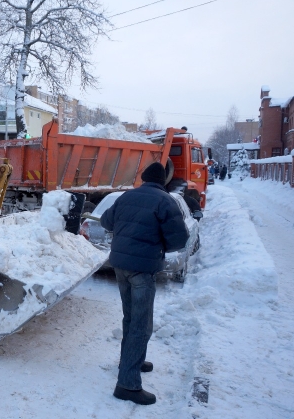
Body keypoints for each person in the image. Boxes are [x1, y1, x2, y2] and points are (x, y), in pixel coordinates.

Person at [101, 162, 189, 406]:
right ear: (163, 181)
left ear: (143, 178)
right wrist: (157, 244)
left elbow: (107, 222)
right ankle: (127, 384)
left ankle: (131, 360)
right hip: (142, 268)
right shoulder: (165, 201)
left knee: (131, 317)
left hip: (119, 264)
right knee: (141, 324)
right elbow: (179, 240)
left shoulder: (126, 197)